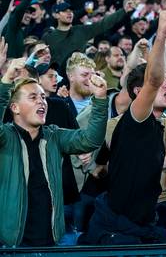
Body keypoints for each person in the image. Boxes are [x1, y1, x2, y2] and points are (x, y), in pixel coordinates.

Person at [82, 10, 166, 245]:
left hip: (144, 224)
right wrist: (161, 36)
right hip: (118, 232)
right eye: (164, 82)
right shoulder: (135, 120)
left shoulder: (161, 124)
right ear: (139, 94)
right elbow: (154, 79)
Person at [0, 57, 109, 246]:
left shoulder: (54, 136)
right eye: (33, 97)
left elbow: (90, 139)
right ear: (15, 108)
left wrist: (99, 100)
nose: (41, 101)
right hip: (13, 244)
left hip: (51, 240)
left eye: (43, 97)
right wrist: (6, 80)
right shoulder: (6, 137)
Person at [42, 0, 137, 67]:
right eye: (64, 11)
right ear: (56, 15)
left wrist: (124, 10)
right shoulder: (48, 37)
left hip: (80, 77)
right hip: (58, 81)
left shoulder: (81, 30)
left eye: (70, 11)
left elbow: (103, 24)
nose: (69, 13)